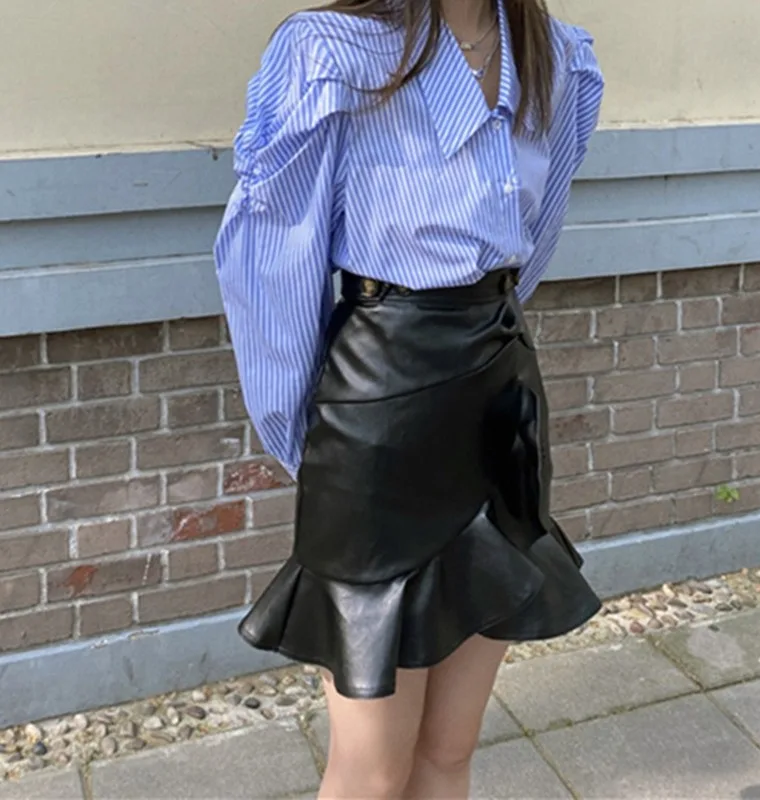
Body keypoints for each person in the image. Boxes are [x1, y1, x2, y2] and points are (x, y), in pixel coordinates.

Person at [215, 0, 604, 796]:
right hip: (379, 403)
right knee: (371, 771)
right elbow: (273, 260)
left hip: (500, 398)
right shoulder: (333, 53)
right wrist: (316, 444)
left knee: (450, 751)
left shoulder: (556, 57)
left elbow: (534, 238)